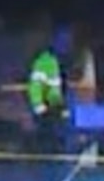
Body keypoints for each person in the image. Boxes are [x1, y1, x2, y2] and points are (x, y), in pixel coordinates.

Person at [25, 29, 71, 159]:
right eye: (63, 41)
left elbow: (59, 89)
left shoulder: (61, 62)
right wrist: (39, 108)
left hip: (54, 111)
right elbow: (35, 86)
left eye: (67, 41)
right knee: (45, 147)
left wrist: (62, 108)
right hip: (45, 113)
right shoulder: (45, 61)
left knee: (56, 146)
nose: (66, 44)